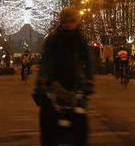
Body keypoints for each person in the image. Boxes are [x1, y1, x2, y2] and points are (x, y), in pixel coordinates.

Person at [35, 8, 94, 146]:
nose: (69, 24)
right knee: (48, 119)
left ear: (76, 22)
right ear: (61, 22)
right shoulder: (53, 39)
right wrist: (41, 80)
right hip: (55, 84)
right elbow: (46, 60)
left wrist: (89, 81)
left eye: (72, 21)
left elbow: (89, 60)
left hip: (76, 85)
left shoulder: (80, 39)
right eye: (66, 21)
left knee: (80, 122)